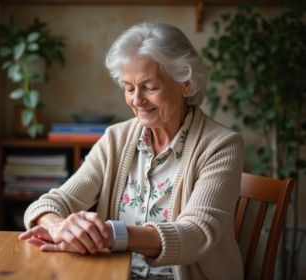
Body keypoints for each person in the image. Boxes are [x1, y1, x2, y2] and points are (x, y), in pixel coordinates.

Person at [19, 22, 244, 280]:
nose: (137, 100)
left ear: (186, 84)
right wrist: (59, 227)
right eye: (129, 87)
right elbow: (53, 202)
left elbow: (197, 233)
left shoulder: (222, 145)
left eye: (150, 87)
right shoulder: (115, 138)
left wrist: (108, 234)